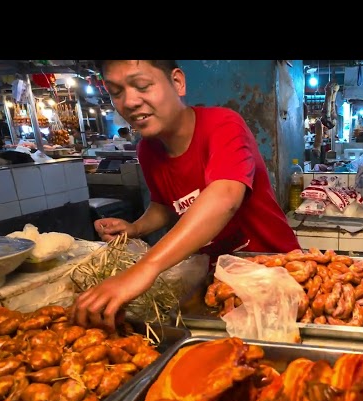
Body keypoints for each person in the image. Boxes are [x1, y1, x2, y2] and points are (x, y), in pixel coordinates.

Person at [70, 60, 301, 330]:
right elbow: (165, 204)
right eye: (116, 92)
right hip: (222, 280)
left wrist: (146, 267)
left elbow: (225, 196)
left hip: (278, 269)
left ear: (177, 82)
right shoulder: (148, 150)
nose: (130, 101)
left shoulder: (223, 125)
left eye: (142, 85)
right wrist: (135, 228)